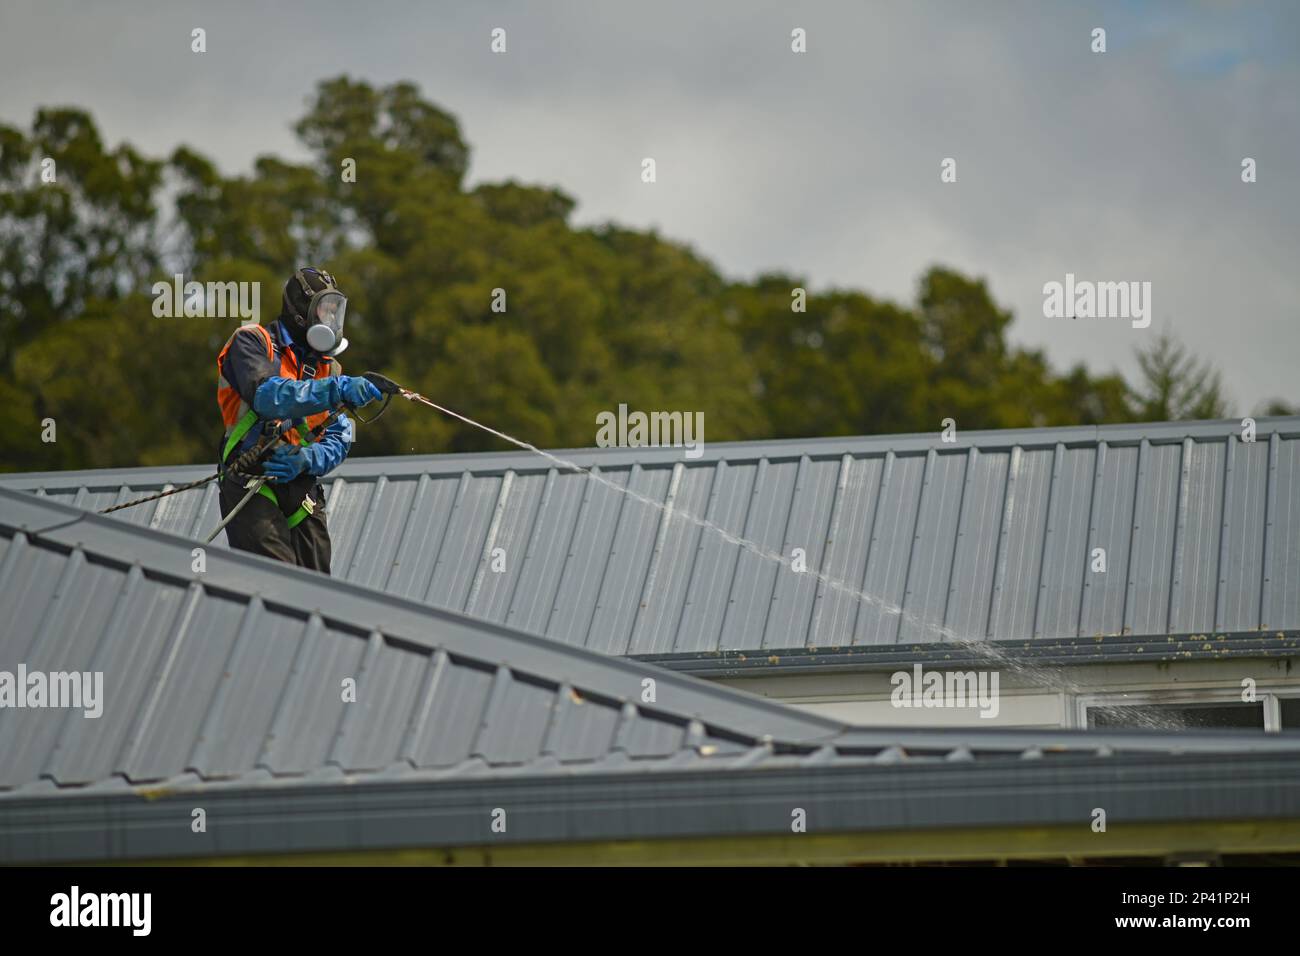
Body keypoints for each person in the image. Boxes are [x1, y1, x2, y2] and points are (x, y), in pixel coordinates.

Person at [214, 267, 381, 572]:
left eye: (335, 312)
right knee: (277, 584)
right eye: (324, 310)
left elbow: (340, 437)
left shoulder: (329, 369)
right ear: (301, 311)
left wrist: (308, 458)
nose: (331, 320)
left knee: (317, 591)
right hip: (251, 477)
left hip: (300, 485)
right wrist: (337, 390)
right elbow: (268, 396)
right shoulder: (252, 342)